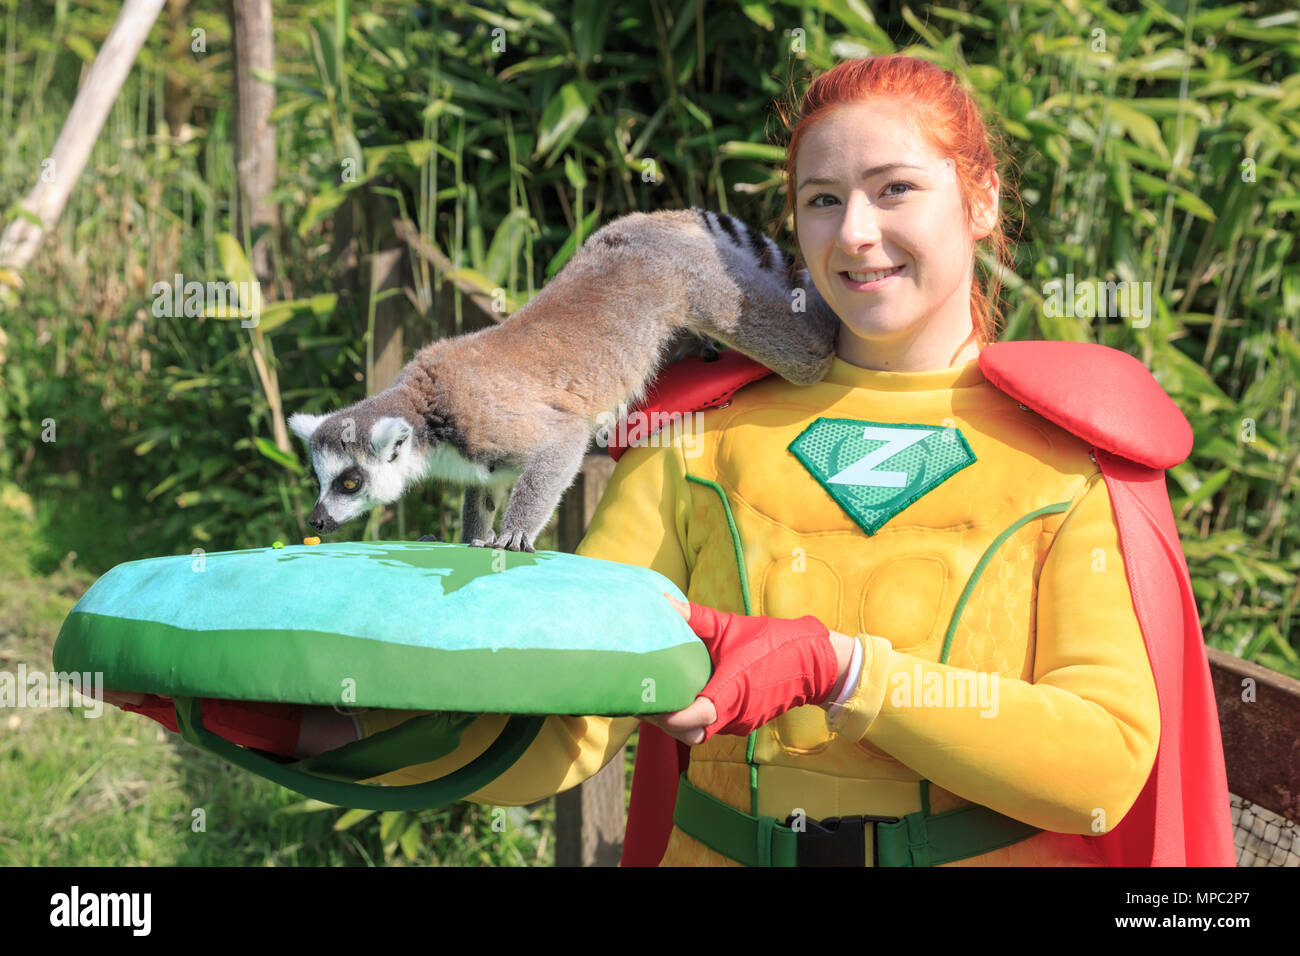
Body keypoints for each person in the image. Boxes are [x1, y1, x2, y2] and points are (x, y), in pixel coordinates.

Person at [102, 54, 1235, 866]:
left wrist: (845, 671)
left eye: (896, 190)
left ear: (979, 200)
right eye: (821, 200)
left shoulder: (1064, 448)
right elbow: (567, 711)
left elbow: (1100, 766)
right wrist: (319, 728)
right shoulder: (706, 431)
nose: (854, 234)